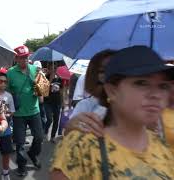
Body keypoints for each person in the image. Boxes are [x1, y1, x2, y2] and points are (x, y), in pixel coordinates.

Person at [51, 46, 174, 179]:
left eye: (163, 86)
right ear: (112, 91)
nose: (155, 94)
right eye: (142, 83)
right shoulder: (81, 147)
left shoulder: (163, 148)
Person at [7, 45, 43, 176]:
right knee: (20, 143)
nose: (24, 60)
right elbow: (7, 92)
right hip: (18, 114)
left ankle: (33, 154)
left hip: (34, 111)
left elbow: (42, 89)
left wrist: (39, 90)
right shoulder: (10, 72)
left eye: (26, 57)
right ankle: (21, 166)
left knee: (39, 137)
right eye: (21, 58)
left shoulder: (35, 69)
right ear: (16, 58)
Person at [0, 72, 15, 180]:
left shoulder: (8, 96)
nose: (3, 84)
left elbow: (12, 111)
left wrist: (5, 115)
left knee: (6, 152)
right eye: (0, 81)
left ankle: (5, 172)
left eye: (5, 82)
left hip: (5, 129)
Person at [44, 63, 64, 143]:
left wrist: (62, 102)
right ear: (48, 69)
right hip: (48, 102)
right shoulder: (45, 77)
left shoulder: (60, 78)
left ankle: (52, 137)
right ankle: (45, 132)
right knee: (49, 119)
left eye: (54, 69)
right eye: (51, 69)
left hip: (57, 102)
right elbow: (44, 90)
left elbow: (62, 91)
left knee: (56, 120)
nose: (53, 70)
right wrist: (50, 80)